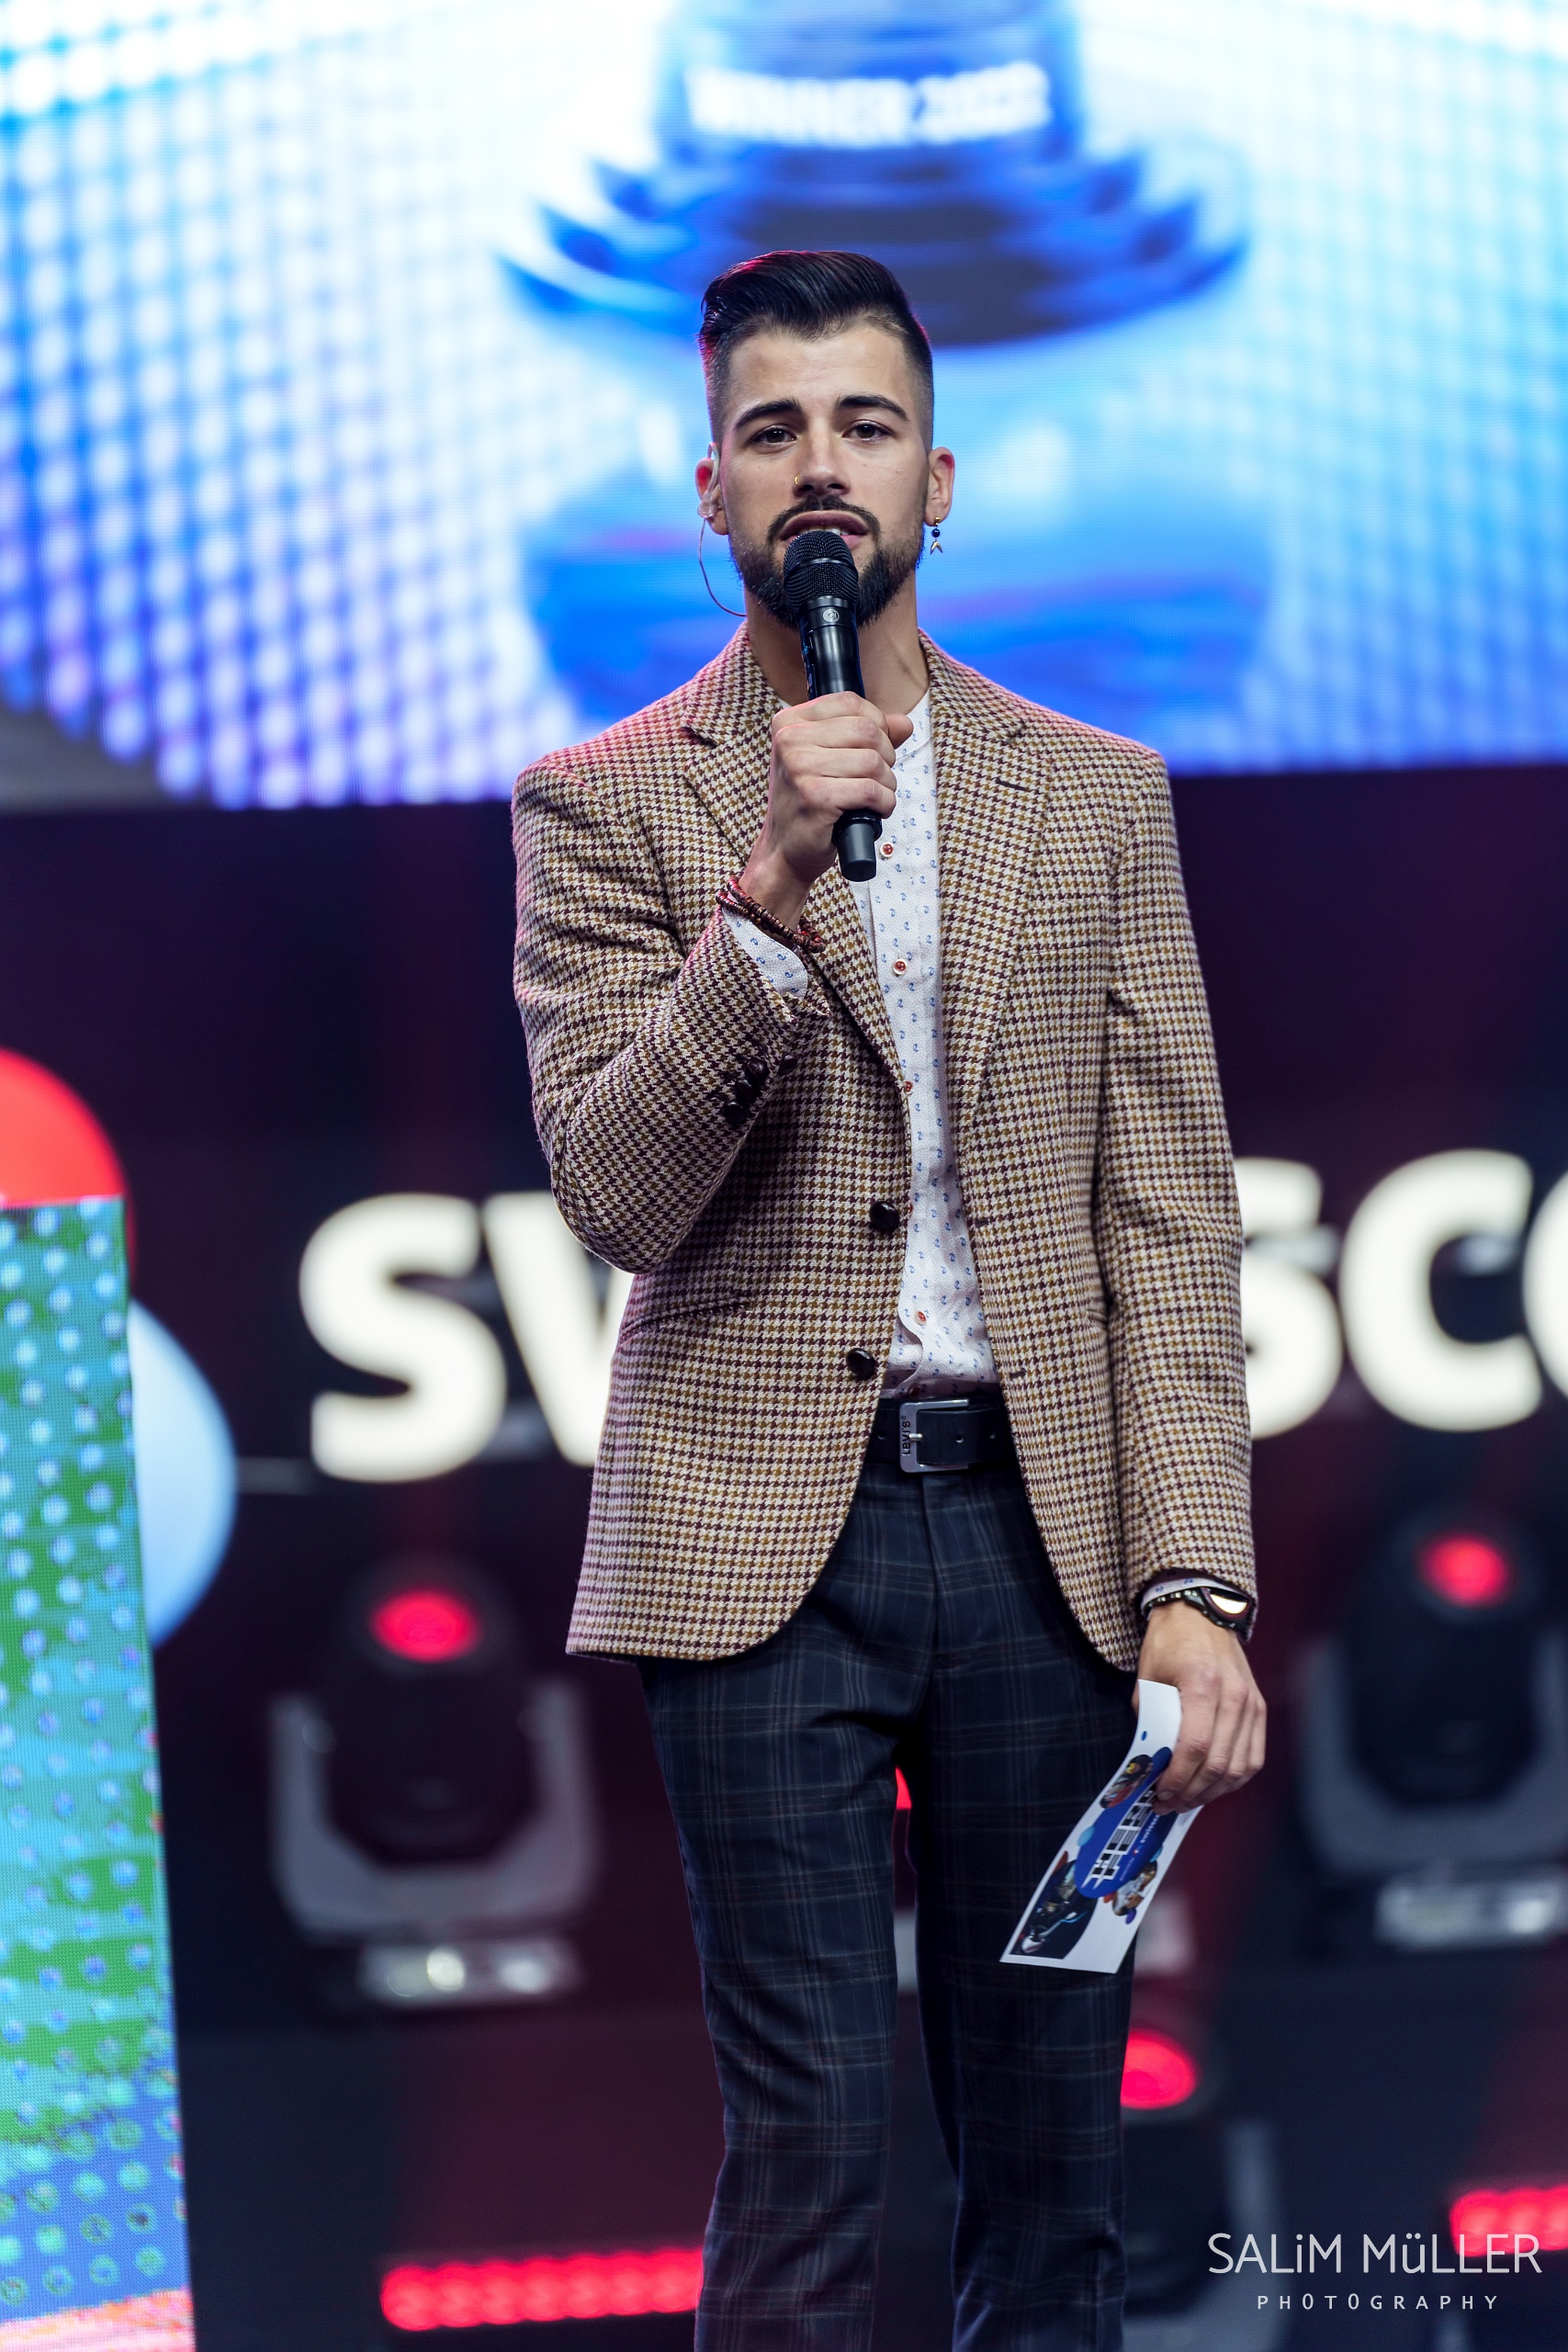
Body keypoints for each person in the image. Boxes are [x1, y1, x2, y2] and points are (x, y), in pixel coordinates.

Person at [513, 249, 1265, 2352]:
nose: (819, 468)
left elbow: (1163, 1217)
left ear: (937, 477)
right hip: (761, 1543)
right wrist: (760, 900)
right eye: (772, 432)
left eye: (862, 425)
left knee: (1049, 2163)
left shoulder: (1092, 792)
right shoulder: (602, 799)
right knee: (810, 2153)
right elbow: (615, 1194)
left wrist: (1191, 1576)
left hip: (1046, 1545)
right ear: (713, 492)